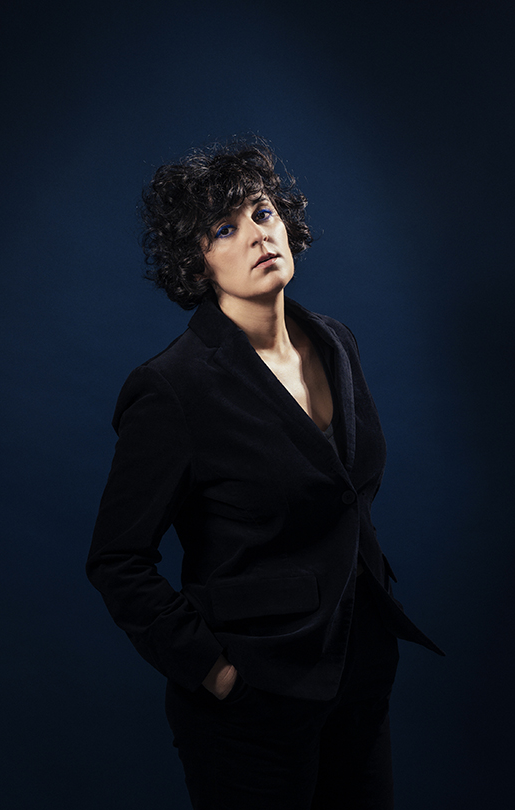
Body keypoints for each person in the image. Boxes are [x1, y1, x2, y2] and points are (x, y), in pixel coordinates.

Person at [86, 140, 443, 810]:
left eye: (262, 212)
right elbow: (116, 560)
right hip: (253, 698)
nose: (256, 235)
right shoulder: (172, 388)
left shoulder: (336, 342)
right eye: (224, 229)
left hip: (360, 675)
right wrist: (214, 672)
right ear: (195, 261)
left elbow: (345, 498)